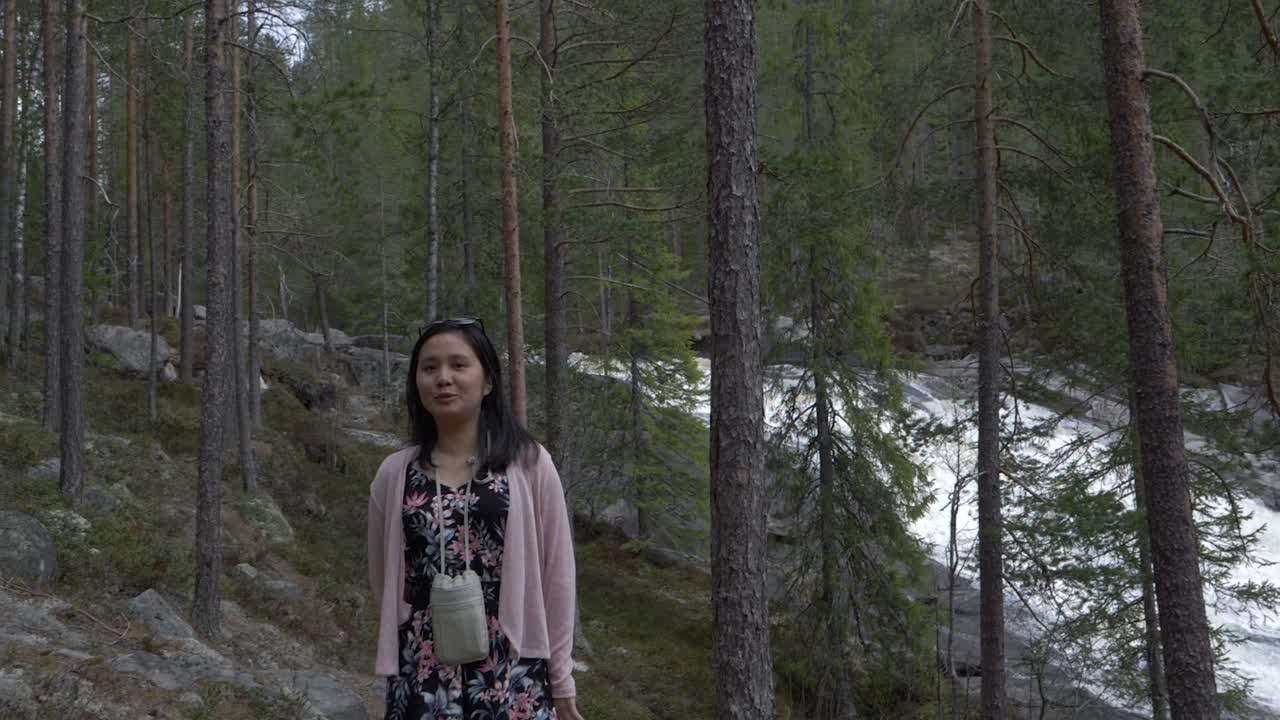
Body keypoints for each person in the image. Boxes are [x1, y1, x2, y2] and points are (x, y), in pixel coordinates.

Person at [368, 317, 585, 719]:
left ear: (488, 381)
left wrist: (562, 679)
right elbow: (383, 580)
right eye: (429, 368)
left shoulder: (530, 464)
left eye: (458, 365)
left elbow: (558, 576)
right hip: (421, 671)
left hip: (512, 669)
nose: (443, 378)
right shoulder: (394, 474)